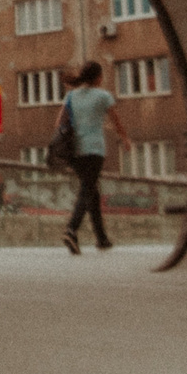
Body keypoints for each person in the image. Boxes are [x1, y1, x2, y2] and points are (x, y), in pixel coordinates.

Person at [60, 61, 128, 255]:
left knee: (92, 191)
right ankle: (71, 230)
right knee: (87, 190)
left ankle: (101, 238)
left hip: (75, 151)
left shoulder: (71, 96)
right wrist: (125, 138)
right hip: (94, 149)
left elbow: (60, 122)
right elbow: (116, 121)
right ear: (98, 77)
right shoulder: (103, 96)